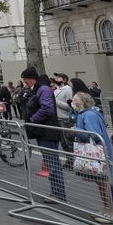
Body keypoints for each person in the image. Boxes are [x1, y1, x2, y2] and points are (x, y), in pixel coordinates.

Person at [21, 67, 67, 202]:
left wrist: (33, 119)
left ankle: (58, 194)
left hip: (47, 131)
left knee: (52, 162)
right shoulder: (40, 89)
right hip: (44, 131)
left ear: (30, 79)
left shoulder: (43, 89)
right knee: (50, 162)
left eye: (25, 80)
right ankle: (56, 192)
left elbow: (47, 109)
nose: (25, 83)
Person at [72, 91, 113, 222]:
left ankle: (110, 212)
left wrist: (76, 130)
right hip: (100, 152)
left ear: (82, 102)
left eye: (75, 100)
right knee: (101, 181)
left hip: (98, 153)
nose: (73, 102)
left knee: (103, 182)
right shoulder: (87, 113)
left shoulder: (88, 115)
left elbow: (95, 135)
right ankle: (106, 209)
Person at [53, 73, 75, 167]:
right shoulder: (56, 90)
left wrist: (56, 101)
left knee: (68, 141)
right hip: (58, 118)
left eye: (58, 77)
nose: (56, 79)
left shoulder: (68, 90)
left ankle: (73, 161)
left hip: (65, 119)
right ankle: (69, 161)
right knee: (63, 142)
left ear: (64, 80)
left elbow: (70, 106)